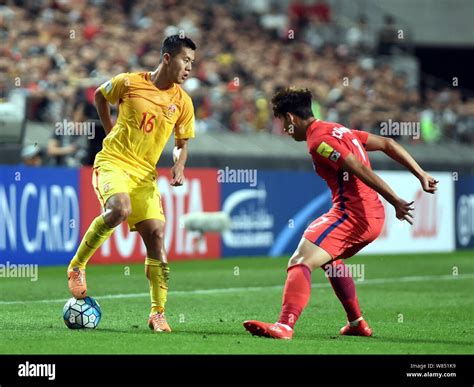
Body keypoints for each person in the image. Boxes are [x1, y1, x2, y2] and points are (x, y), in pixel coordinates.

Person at [243, 88, 438, 339]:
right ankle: (356, 322)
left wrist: (395, 200)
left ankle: (284, 325)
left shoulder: (318, 142)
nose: (283, 129)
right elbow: (388, 143)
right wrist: (420, 173)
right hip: (368, 214)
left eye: (282, 122)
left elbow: (355, 167)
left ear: (291, 118)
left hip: (354, 215)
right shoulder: (339, 130)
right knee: (330, 260)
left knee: (300, 261)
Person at [67, 35, 197, 333]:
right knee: (119, 209)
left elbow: (181, 143)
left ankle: (158, 313)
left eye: (192, 62)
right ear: (167, 58)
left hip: (145, 175)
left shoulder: (183, 102)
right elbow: (100, 95)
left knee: (156, 236)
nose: (189, 67)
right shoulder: (129, 82)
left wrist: (179, 163)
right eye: (184, 60)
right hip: (113, 162)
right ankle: (77, 266)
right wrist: (109, 128)